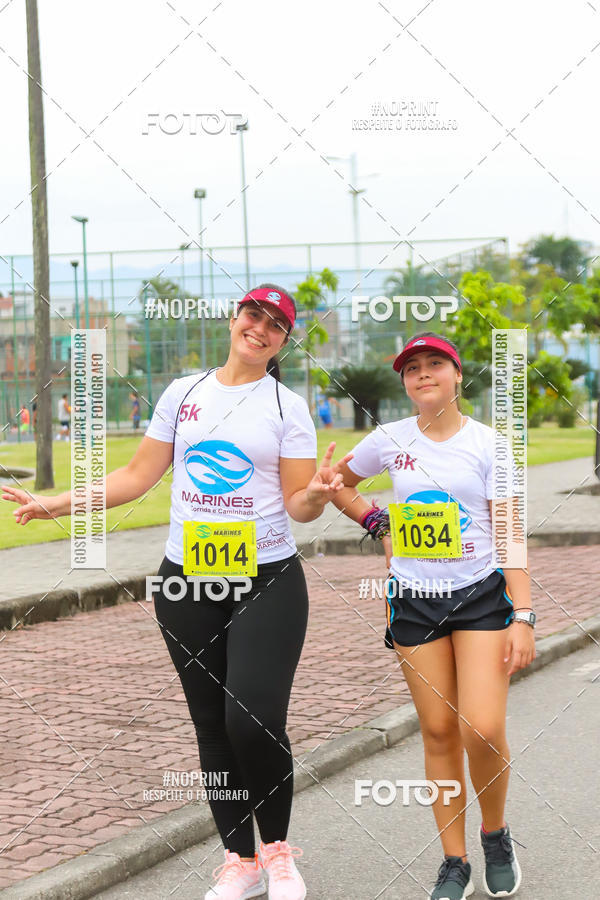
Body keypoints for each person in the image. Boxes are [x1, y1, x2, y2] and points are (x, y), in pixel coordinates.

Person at [2, 283, 352, 900]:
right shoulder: (183, 394)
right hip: (186, 580)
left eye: (276, 324)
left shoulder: (286, 407)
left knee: (255, 718)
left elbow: (298, 505)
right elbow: (137, 479)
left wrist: (318, 496)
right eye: (253, 315)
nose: (261, 328)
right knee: (212, 725)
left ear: (283, 341)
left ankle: (278, 854)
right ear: (234, 320)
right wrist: (54, 502)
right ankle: (239, 862)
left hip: (265, 577)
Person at [330, 333, 536, 899]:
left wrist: (523, 615)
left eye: (435, 365)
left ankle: (496, 834)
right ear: (405, 381)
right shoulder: (389, 440)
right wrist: (380, 525)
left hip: (480, 596)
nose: (424, 375)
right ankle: (455, 861)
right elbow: (339, 485)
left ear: (457, 374)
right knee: (440, 730)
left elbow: (511, 535)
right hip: (415, 602)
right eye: (413, 368)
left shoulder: (491, 445)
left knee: (482, 726)